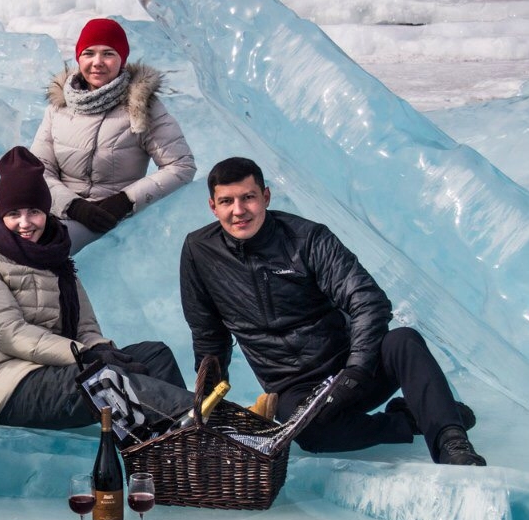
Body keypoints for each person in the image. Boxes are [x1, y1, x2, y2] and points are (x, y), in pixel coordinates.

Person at [180, 157, 486, 466]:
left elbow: (368, 300)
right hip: (294, 387)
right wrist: (208, 405)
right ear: (213, 206)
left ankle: (452, 443)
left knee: (404, 341)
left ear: (266, 197)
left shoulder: (307, 238)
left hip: (353, 365)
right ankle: (410, 420)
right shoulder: (199, 252)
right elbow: (209, 335)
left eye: (248, 197)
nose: (239, 210)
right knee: (309, 434)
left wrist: (354, 372)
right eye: (227, 201)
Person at [0, 146, 194, 430]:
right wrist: (85, 355)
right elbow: (10, 334)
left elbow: (86, 329)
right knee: (104, 380)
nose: (25, 222)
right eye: (14, 213)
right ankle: (199, 422)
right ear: (2, 214)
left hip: (55, 368)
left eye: (34, 211)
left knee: (153, 356)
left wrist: (100, 350)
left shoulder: (55, 255)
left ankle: (171, 444)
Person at [30, 17, 196, 254]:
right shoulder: (59, 107)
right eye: (89, 53)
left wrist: (125, 202)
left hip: (109, 217)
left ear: (122, 60)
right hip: (59, 209)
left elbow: (181, 165)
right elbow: (38, 168)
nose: (97, 62)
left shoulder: (142, 106)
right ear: (79, 58)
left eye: (108, 53)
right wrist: (72, 205)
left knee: (41, 250)